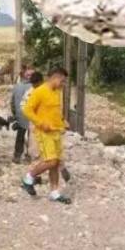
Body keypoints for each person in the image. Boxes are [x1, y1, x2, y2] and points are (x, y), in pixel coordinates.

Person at [21, 66, 72, 205]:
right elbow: (27, 110)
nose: (63, 84)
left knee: (55, 164)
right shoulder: (40, 91)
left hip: (56, 132)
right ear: (55, 77)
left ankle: (54, 193)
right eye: (62, 81)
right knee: (51, 161)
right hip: (44, 133)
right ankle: (28, 179)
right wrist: (40, 123)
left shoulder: (57, 92)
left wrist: (63, 121)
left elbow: (55, 111)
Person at [10, 68, 34, 163]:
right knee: (32, 137)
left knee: (20, 136)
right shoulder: (36, 87)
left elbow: (12, 102)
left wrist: (15, 114)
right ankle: (29, 156)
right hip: (33, 116)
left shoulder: (17, 86)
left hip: (20, 115)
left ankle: (17, 155)